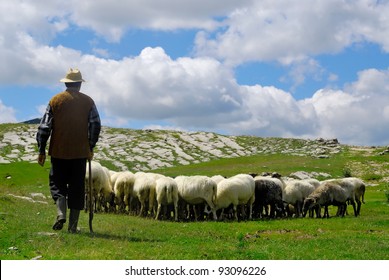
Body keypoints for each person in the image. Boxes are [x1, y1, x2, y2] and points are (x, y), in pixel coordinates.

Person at [36, 68, 101, 233]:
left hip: (59, 151)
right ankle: (73, 227)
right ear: (79, 84)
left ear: (66, 83)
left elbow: (44, 127)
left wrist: (42, 150)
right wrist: (90, 146)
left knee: (57, 184)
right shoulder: (88, 102)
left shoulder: (55, 101)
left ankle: (60, 212)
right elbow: (95, 125)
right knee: (77, 187)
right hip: (80, 153)